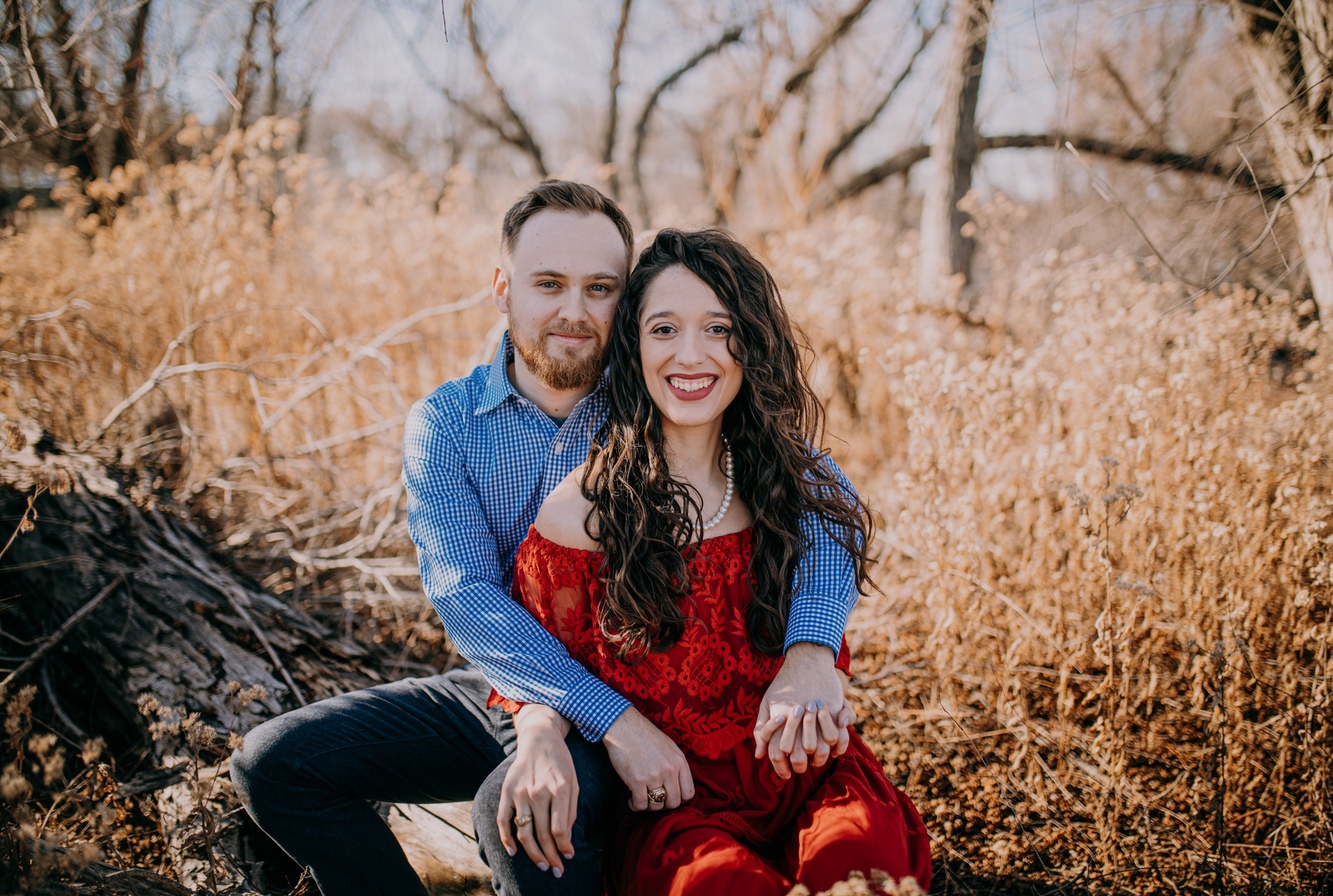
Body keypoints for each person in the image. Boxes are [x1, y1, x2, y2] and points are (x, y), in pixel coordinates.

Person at [230, 182, 863, 896]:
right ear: (502, 287)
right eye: (549, 284)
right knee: (275, 762)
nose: (575, 310)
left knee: (519, 812)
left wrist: (812, 651)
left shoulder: (667, 384)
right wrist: (570, 718)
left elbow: (823, 498)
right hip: (513, 680)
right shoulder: (447, 425)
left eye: (601, 288)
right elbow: (466, 596)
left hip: (638, 676)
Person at [493, 228, 933, 895]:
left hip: (812, 776)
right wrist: (539, 733)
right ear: (632, 347)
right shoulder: (581, 511)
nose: (691, 355)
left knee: (862, 874)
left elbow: (833, 568)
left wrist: (814, 661)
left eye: (718, 328)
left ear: (750, 343)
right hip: (680, 809)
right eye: (664, 329)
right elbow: (539, 660)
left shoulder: (796, 479)